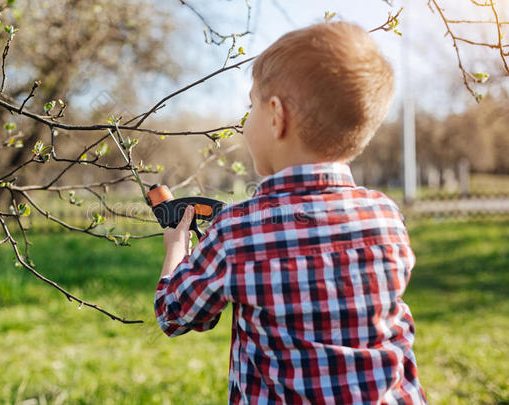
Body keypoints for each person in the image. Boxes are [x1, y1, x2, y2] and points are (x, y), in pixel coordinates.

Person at [154, 21, 427, 404]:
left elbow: (175, 313)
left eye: (251, 106)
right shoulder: (385, 217)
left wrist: (176, 249)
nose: (246, 120)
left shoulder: (237, 232)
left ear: (276, 116)